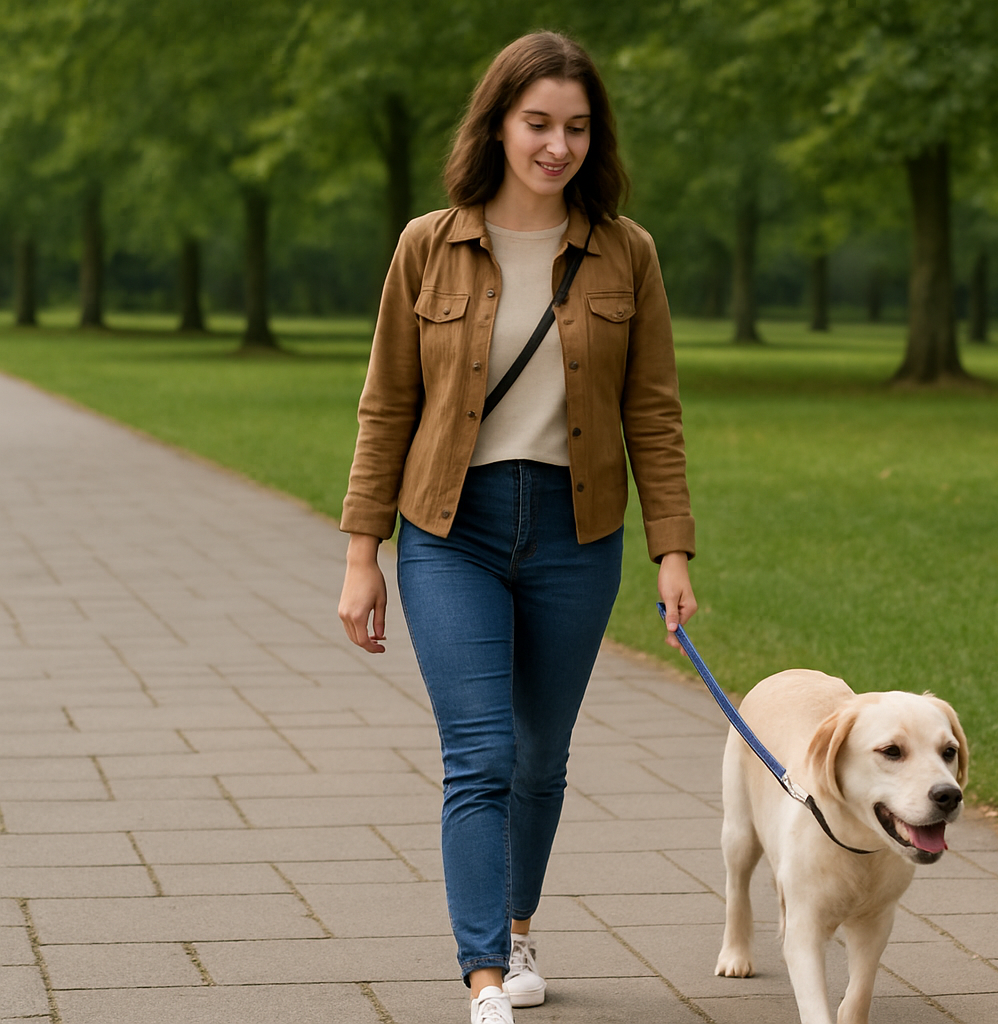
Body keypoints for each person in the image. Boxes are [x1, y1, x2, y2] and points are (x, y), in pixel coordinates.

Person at [336, 30, 697, 1024]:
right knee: (481, 754)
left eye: (576, 127)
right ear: (497, 123)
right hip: (452, 528)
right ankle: (484, 976)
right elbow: (386, 406)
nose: (556, 145)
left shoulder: (628, 252)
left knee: (541, 754)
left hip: (577, 534)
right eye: (537, 123)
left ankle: (521, 924)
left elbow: (653, 414)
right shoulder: (428, 243)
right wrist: (362, 554)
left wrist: (672, 550)